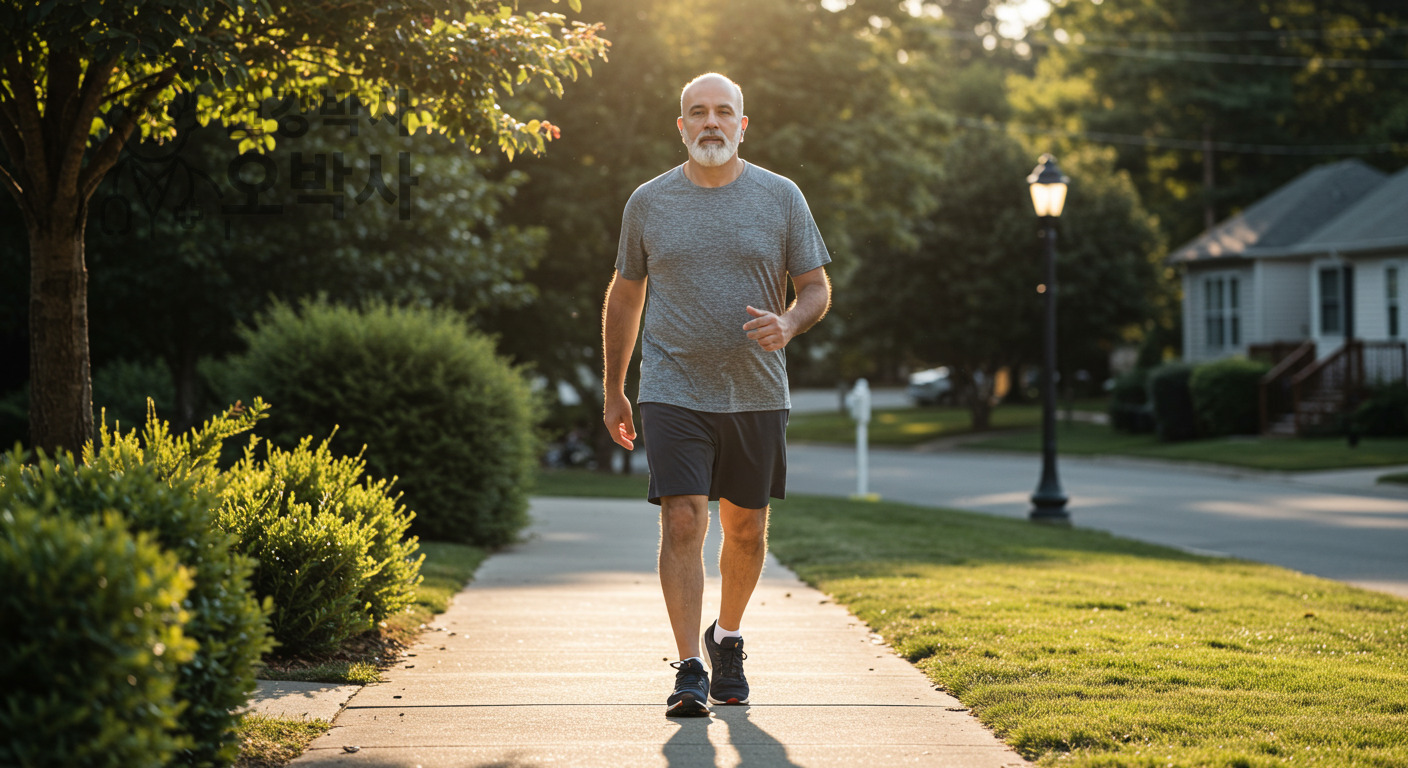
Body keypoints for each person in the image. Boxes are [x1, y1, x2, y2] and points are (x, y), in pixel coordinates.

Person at [600, 72, 832, 717]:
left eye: (722, 111)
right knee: (682, 518)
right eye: (697, 112)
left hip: (756, 392)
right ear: (681, 126)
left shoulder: (781, 197)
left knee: (747, 530)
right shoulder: (648, 202)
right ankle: (690, 669)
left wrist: (787, 321)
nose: (710, 122)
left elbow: (815, 287)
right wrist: (615, 389)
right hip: (672, 387)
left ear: (741, 123)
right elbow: (626, 293)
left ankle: (726, 636)